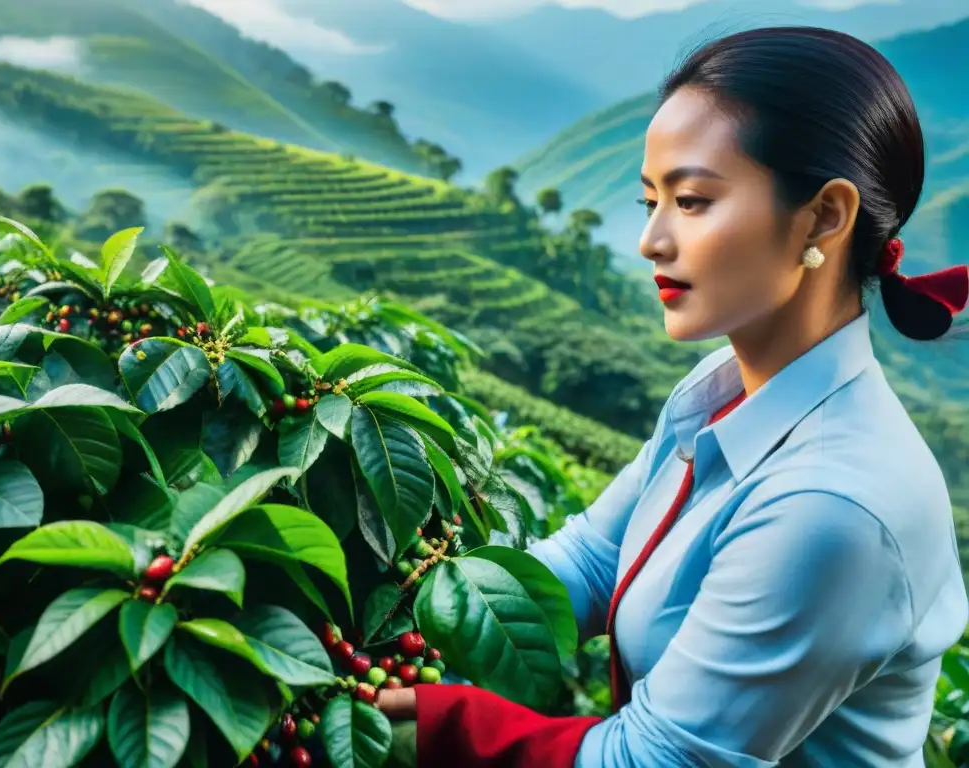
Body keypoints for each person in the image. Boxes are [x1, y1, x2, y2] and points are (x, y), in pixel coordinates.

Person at [376, 25, 969, 767]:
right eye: (649, 200)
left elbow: (653, 760)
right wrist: (405, 617)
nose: (650, 240)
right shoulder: (717, 391)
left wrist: (440, 720)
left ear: (824, 216)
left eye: (690, 202)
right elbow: (594, 558)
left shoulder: (834, 507)